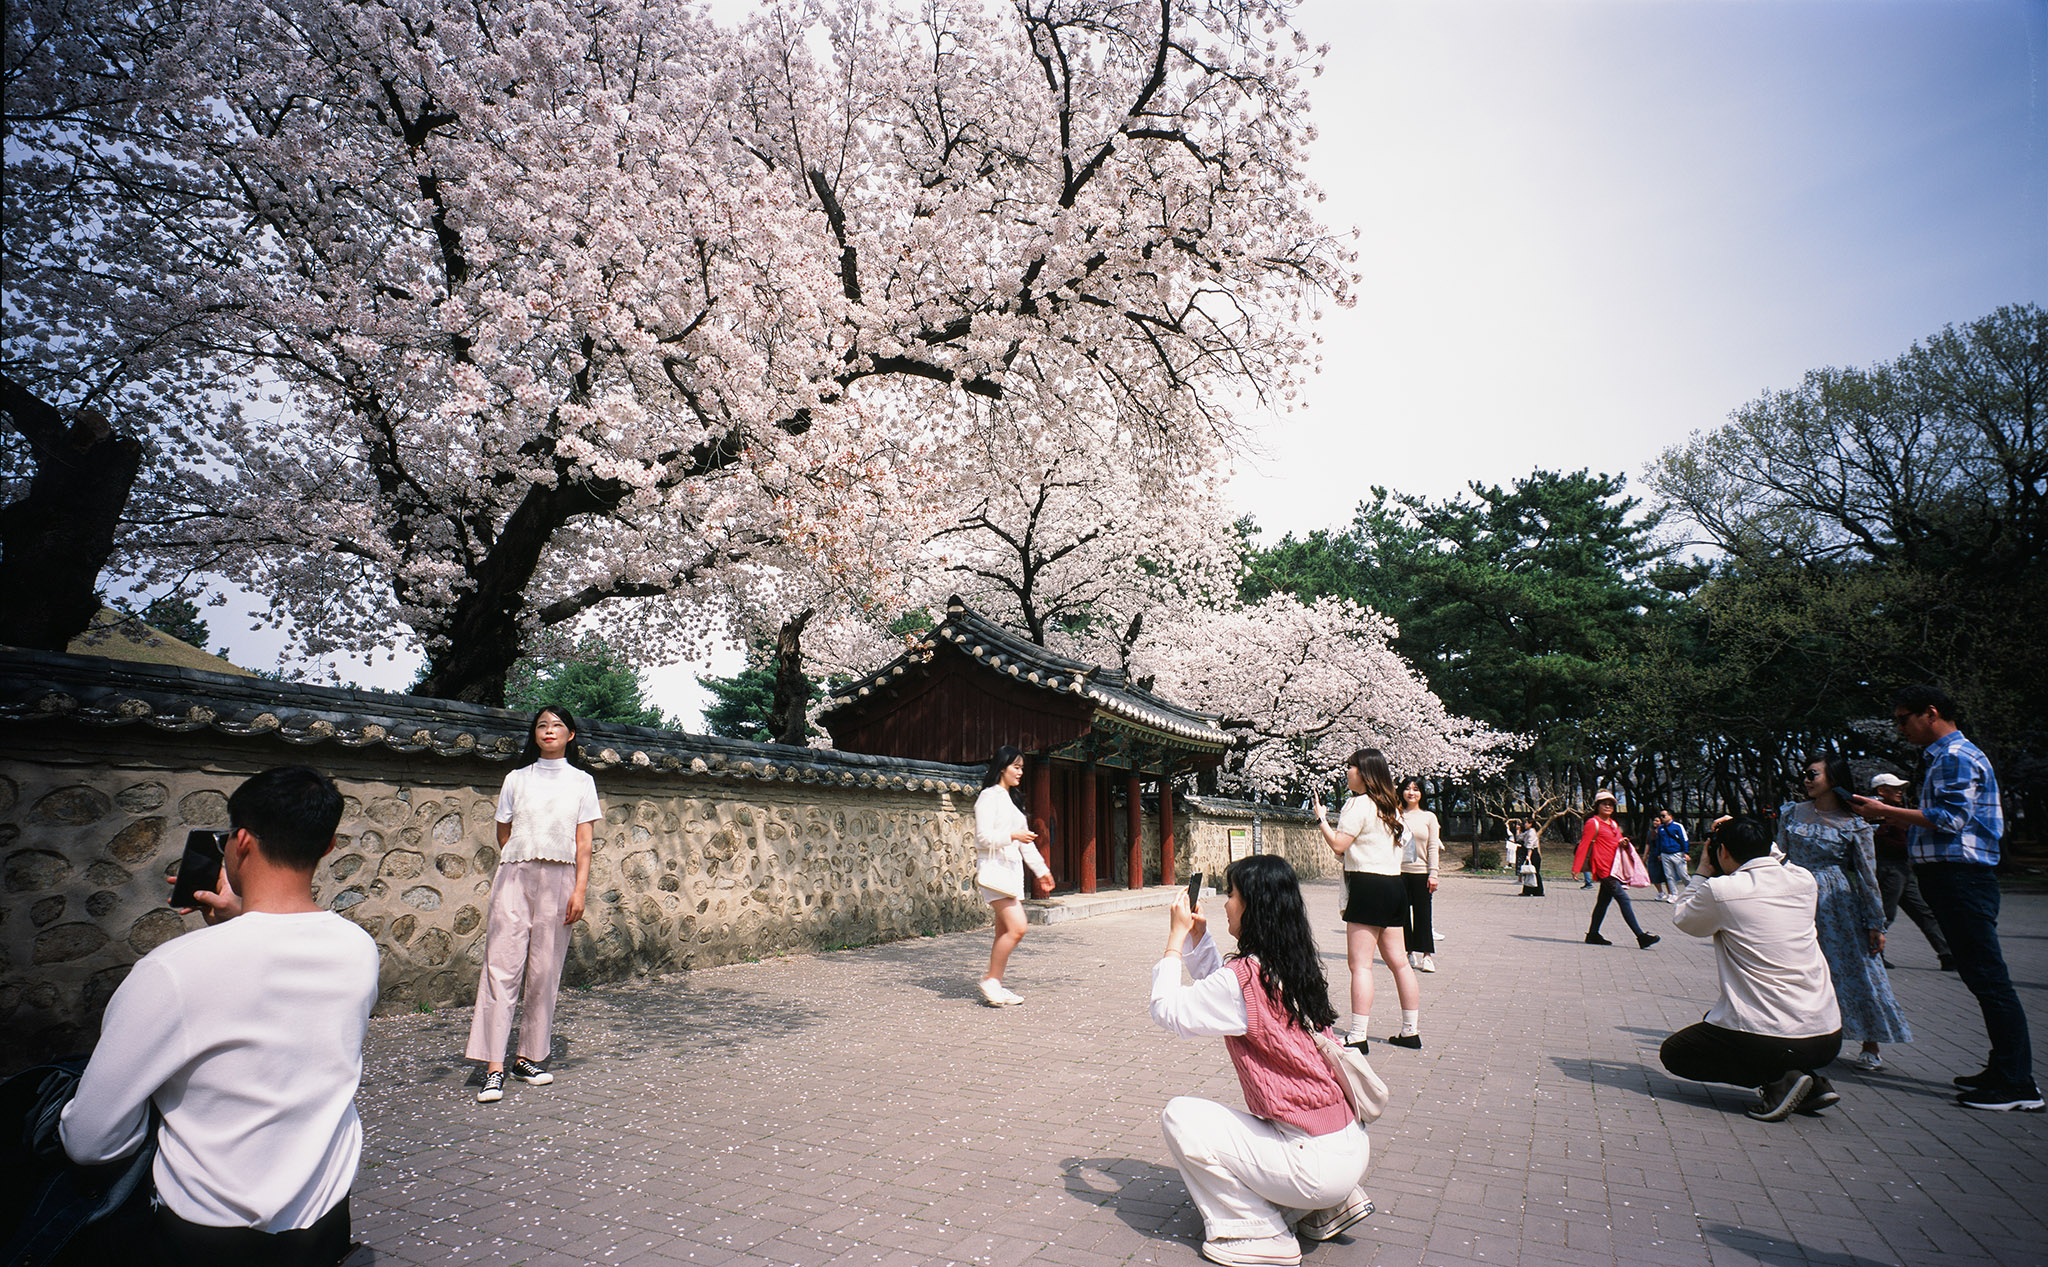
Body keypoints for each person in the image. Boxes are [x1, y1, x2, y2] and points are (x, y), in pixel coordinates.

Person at [59, 766, 378, 1263]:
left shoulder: (173, 970)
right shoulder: (358, 948)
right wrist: (242, 917)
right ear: (329, 846)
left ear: (241, 841)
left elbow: (91, 1140)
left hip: (206, 1233)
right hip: (325, 1221)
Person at [1151, 855, 1374, 1267]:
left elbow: (1169, 1010)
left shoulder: (1245, 978)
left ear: (1253, 905)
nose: (1225, 904)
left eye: (1231, 894)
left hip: (1315, 1165)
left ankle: (1261, 1233)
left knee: (1179, 1117)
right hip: (1348, 1146)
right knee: (1271, 1133)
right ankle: (1324, 1207)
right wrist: (1198, 938)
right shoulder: (1290, 963)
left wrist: (1173, 940)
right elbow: (1227, 994)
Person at [1851, 685, 2040, 1111]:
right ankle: (2004, 1069)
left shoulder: (1955, 755)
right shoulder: (1943, 757)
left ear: (1931, 713)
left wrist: (1884, 812)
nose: (1900, 729)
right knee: (1980, 976)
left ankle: (2018, 1084)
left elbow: (1950, 819)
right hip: (1952, 878)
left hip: (1962, 878)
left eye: (1904, 719)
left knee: (1989, 979)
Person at [1661, 815, 1844, 1121]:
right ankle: (1808, 1083)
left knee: (1677, 1053)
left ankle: (1779, 1081)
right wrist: (1748, 829)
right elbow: (1775, 858)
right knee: (1715, 1019)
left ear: (1723, 851)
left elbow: (1684, 917)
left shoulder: (1722, 890)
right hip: (1827, 1036)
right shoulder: (1803, 880)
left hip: (1770, 1037)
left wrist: (1703, 870)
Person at [466, 705, 600, 1103]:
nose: (549, 731)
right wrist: (521, 860)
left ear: (570, 735)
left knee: (544, 970)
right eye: (542, 725)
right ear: (534, 734)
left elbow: (584, 844)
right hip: (515, 875)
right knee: (501, 966)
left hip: (561, 880)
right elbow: (503, 832)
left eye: (557, 725)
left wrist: (579, 890)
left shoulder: (582, 782)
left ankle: (527, 1057)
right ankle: (493, 1067)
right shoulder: (516, 779)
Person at [1779, 754, 1911, 1073]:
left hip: (1836, 902)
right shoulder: (1791, 813)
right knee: (1795, 969)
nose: (1806, 779)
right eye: (1805, 774)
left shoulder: (1855, 823)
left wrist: (1876, 923)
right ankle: (1797, 1036)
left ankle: (1871, 1043)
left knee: (1856, 967)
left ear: (1834, 779)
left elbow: (1867, 876)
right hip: (1794, 896)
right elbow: (1778, 857)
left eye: (1813, 774)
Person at [1310, 749, 1422, 1051]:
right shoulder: (1391, 807)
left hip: (1367, 885)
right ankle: (1410, 1031)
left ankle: (1358, 1035)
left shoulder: (1357, 804)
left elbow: (1339, 845)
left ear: (1364, 772)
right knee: (1400, 963)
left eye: (1351, 767)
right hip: (1395, 886)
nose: (1347, 771)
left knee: (1360, 965)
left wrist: (1321, 819)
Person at [973, 744, 1054, 1006]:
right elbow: (983, 838)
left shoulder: (1013, 801)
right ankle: (991, 980)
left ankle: (995, 982)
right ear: (1002, 768)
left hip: (1010, 875)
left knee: (1003, 932)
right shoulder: (988, 797)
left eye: (1021, 768)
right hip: (994, 872)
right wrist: (1012, 835)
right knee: (1018, 928)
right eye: (1015, 767)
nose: (1020, 772)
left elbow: (1026, 844)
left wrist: (1042, 871)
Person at [1866, 772, 1955, 971]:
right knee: (1885, 913)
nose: (1900, 791)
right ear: (1881, 791)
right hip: (1889, 867)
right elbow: (1881, 841)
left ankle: (1947, 954)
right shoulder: (1877, 814)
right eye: (1894, 788)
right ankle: (1873, 953)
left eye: (1900, 788)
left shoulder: (1897, 812)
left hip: (1903, 867)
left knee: (1923, 912)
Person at [1573, 790, 1658, 949]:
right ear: (1597, 806)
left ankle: (1593, 934)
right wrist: (1576, 868)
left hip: (1614, 868)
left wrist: (1623, 842)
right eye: (1604, 803)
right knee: (1623, 899)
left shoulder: (1613, 824)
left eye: (1611, 804)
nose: (1608, 806)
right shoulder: (1593, 823)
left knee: (1603, 902)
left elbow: (1617, 841)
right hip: (1603, 869)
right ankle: (1641, 936)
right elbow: (1584, 844)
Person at [1397, 777, 1441, 973]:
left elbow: (1433, 846)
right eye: (1407, 789)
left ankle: (1427, 956)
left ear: (1422, 793)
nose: (1411, 793)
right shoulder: (1396, 815)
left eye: (1415, 789)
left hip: (1421, 873)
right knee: (1402, 915)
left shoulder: (1429, 817)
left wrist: (1434, 873)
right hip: (1398, 873)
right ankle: (1408, 953)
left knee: (1423, 915)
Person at [1650, 809, 1691, 902]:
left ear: (1670, 816)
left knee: (1683, 874)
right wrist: (1659, 853)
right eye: (1661, 816)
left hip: (1677, 853)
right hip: (1665, 854)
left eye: (1664, 816)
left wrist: (1686, 852)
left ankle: (1692, 891)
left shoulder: (1678, 826)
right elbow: (1658, 841)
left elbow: (1684, 839)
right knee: (1669, 875)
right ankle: (1674, 894)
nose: (1662, 818)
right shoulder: (1660, 828)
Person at [1516, 820, 1545, 897]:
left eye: (1526, 823)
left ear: (1530, 824)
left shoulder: (1531, 832)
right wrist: (1518, 830)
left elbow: (1530, 846)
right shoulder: (1528, 832)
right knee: (1529, 873)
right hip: (1529, 853)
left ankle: (1538, 891)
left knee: (1534, 872)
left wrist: (1528, 856)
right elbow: (1519, 838)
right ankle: (1528, 891)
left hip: (1533, 854)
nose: (1525, 824)